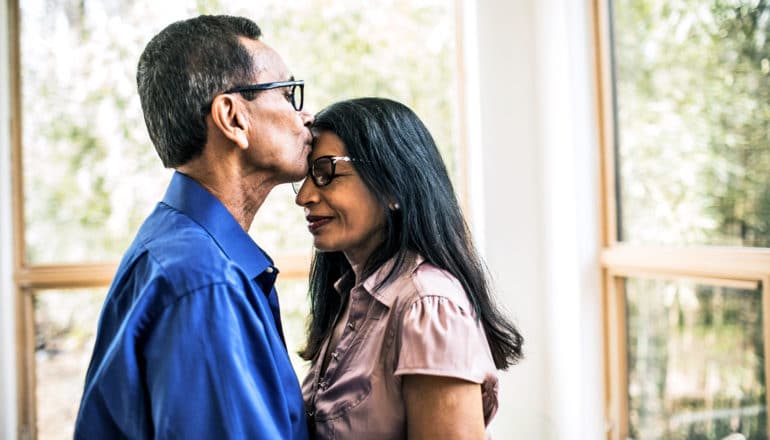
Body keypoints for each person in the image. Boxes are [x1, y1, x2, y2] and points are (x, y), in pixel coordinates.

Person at [75, 15, 313, 439]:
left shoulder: (179, 250)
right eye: (288, 94)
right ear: (233, 117)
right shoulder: (205, 281)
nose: (305, 115)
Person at [294, 97, 524, 439]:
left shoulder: (428, 306)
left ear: (391, 187)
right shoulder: (349, 297)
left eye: (327, 173)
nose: (305, 196)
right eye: (306, 177)